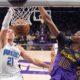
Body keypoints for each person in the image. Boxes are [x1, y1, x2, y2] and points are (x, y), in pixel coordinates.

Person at [0, 8, 49, 80]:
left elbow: (33, 60)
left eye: (12, 32)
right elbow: (5, 26)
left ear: (15, 35)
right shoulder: (2, 43)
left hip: (17, 77)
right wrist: (10, 13)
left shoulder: (19, 48)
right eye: (8, 32)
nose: (10, 32)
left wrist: (48, 66)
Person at [38, 7, 80, 80]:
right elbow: (48, 20)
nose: (75, 34)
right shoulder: (64, 41)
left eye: (78, 34)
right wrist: (38, 3)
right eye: (76, 32)